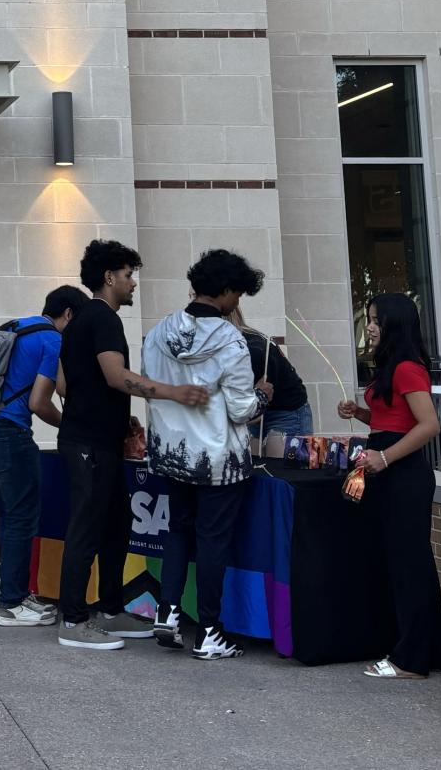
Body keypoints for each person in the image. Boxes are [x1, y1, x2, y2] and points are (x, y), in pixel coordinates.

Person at [55, 239, 211, 651]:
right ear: (109, 278)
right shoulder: (103, 319)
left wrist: (118, 417)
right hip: (88, 444)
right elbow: (115, 375)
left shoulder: (79, 321)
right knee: (87, 530)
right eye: (128, 275)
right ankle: (73, 621)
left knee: (115, 526)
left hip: (97, 440)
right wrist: (173, 392)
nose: (133, 284)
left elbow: (68, 384)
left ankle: (110, 610)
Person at [142, 250, 268, 661]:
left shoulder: (159, 332)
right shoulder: (232, 341)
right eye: (238, 295)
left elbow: (153, 387)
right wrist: (262, 397)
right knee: (213, 541)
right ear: (228, 291)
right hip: (218, 459)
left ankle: (168, 609)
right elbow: (240, 410)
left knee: (178, 530)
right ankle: (210, 631)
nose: (238, 304)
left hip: (171, 452)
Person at [338, 292, 441, 681]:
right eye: (369, 318)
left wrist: (384, 459)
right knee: (403, 563)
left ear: (394, 324)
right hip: (388, 467)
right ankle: (420, 651)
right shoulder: (392, 366)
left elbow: (429, 425)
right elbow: (392, 421)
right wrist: (362, 414)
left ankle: (411, 660)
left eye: (375, 320)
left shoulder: (406, 367)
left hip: (403, 474)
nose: (369, 326)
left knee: (409, 564)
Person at [0, 286, 85, 627]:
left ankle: (16, 593)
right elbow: (40, 402)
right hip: (9, 432)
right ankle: (12, 603)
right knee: (21, 516)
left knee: (10, 510)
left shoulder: (14, 327)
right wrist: (68, 425)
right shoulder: (50, 340)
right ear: (69, 315)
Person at [230, 307, 312, 445]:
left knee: (283, 463)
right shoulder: (243, 343)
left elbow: (256, 401)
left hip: (285, 410)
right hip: (257, 408)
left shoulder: (251, 349)